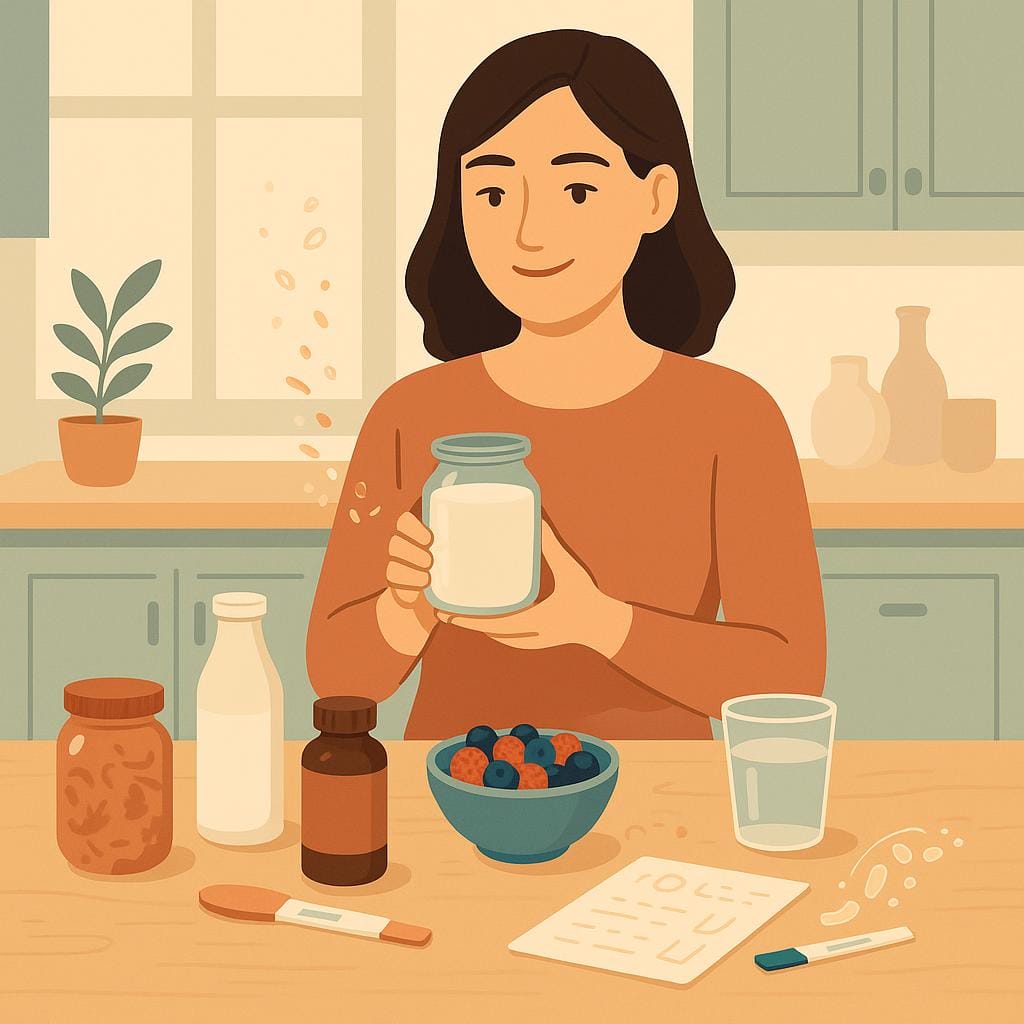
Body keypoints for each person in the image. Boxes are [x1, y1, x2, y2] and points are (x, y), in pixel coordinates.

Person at [307, 29, 825, 739]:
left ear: (656, 197)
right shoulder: (412, 413)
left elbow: (790, 674)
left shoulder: (732, 417)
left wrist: (599, 624)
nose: (527, 231)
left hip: (665, 803)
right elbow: (334, 675)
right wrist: (405, 611)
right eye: (491, 190)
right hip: (453, 792)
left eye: (576, 187)